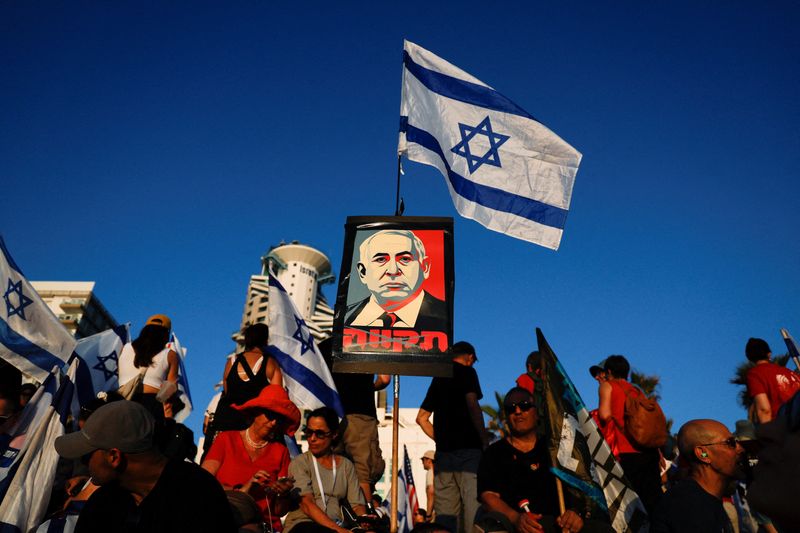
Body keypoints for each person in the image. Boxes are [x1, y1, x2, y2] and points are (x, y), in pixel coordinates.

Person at [54, 400, 236, 533]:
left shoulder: (199, 495)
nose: (85, 465)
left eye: (87, 457)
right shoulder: (102, 504)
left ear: (114, 457)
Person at [476, 387, 613, 533]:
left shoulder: (555, 448)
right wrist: (516, 518)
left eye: (524, 405)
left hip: (558, 523)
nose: (518, 411)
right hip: (514, 526)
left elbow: (578, 487)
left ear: (536, 413)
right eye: (511, 408)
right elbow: (488, 497)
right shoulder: (494, 452)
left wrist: (575, 513)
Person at [202, 384, 299, 532]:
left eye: (279, 419)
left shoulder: (281, 452)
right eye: (271, 416)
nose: (274, 423)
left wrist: (283, 494)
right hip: (224, 516)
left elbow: (280, 511)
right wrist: (244, 489)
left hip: (262, 525)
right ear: (256, 412)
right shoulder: (226, 439)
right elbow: (203, 483)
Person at [417, 341, 490, 533]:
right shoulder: (467, 372)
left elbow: (421, 418)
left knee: (446, 518)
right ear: (470, 357)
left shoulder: (439, 377)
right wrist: (484, 441)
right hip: (469, 452)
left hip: (444, 456)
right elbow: (473, 405)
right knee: (473, 514)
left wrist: (440, 439)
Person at [319, 337, 390, 503]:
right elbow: (384, 379)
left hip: (333, 414)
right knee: (362, 471)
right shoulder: (369, 341)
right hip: (361, 412)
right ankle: (363, 518)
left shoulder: (326, 345)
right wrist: (368, 388)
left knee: (332, 469)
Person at [650, 419, 745, 533]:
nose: (741, 449)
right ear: (703, 454)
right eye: (730, 443)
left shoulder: (704, 498)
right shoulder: (687, 504)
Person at [284, 407, 367, 533]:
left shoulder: (346, 465)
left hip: (337, 526)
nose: (312, 438)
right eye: (309, 432)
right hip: (304, 524)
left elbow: (357, 505)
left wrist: (364, 523)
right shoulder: (300, 463)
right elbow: (307, 504)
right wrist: (338, 530)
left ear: (334, 434)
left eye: (319, 434)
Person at [345, 229, 446, 331]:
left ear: (425, 267)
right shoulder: (345, 316)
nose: (393, 271)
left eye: (405, 259)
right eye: (381, 259)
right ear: (363, 272)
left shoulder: (444, 313)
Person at [597, 355, 662, 514]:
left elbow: (604, 414)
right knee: (652, 504)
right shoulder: (637, 390)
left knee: (626, 507)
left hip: (625, 452)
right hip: (647, 452)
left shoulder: (608, 386)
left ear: (609, 371)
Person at [209, 323, 283, 451]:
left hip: (226, 421)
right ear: (265, 340)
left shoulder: (231, 361)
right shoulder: (271, 363)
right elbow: (276, 399)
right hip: (252, 426)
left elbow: (227, 391)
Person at [117, 314, 180, 420]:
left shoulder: (124, 348)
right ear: (166, 333)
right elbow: (171, 389)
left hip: (122, 401)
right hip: (151, 406)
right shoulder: (170, 354)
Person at [744, 337, 800, 424]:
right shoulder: (792, 374)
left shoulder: (755, 373)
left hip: (783, 427)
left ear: (748, 357)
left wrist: (766, 432)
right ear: (769, 354)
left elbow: (764, 409)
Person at [422, 450, 435, 518]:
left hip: (434, 512)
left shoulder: (430, 473)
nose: (422, 463)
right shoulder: (437, 473)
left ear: (429, 460)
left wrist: (428, 515)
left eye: (423, 460)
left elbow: (431, 492)